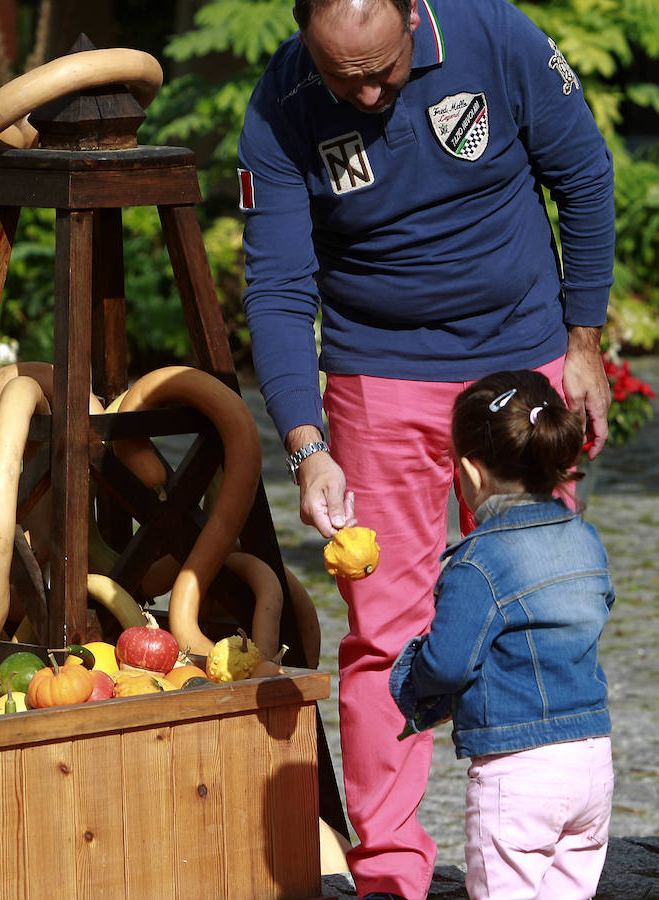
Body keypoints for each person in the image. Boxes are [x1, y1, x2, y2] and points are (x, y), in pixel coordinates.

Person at [237, 0, 615, 896]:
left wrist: (585, 342)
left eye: (382, 70)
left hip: (519, 359)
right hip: (378, 375)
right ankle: (390, 873)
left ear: (414, 15)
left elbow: (585, 176)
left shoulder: (498, 37)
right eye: (344, 78)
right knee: (383, 635)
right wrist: (306, 445)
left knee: (545, 606)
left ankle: (547, 860)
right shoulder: (281, 102)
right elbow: (280, 288)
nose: (367, 95)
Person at [389, 369, 615, 900]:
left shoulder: (478, 562)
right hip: (591, 760)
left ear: (469, 472)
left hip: (519, 771)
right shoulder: (585, 538)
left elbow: (446, 664)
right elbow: (599, 604)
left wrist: (415, 685)